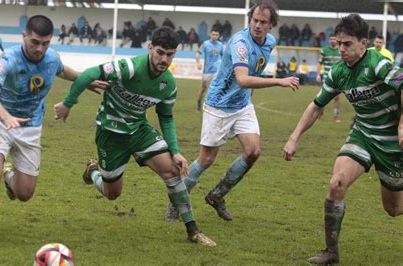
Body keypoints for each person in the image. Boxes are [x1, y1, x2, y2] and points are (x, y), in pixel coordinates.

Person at [53, 27, 217, 247]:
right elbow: (90, 74)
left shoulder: (168, 84)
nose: (164, 59)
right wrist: (67, 104)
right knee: (112, 193)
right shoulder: (129, 68)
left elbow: (166, 118)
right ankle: (92, 171)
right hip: (111, 134)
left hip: (139, 131)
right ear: (150, 48)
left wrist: (175, 151)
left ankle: (193, 230)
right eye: (160, 52)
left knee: (172, 170)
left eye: (170, 54)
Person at [164, 0, 300, 222]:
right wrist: (279, 81)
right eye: (254, 20)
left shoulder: (271, 41)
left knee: (253, 152)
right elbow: (243, 79)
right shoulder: (240, 43)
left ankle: (217, 196)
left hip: (242, 105)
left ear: (271, 25)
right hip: (218, 106)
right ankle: (176, 202)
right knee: (207, 159)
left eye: (263, 22)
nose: (257, 25)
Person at [283, 14, 403, 264]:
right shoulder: (337, 73)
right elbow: (316, 106)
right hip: (363, 134)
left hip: (392, 142)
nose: (342, 49)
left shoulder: (378, 64)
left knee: (393, 210)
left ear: (364, 43)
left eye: (348, 44)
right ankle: (331, 252)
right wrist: (294, 138)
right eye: (339, 44)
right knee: (337, 183)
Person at [0, 15, 86, 245]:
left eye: (45, 43)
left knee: (24, 194)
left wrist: (87, 80)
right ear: (24, 36)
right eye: (34, 42)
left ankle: (8, 174)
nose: (39, 48)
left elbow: (62, 70)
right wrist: (6, 116)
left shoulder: (51, 57)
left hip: (30, 127)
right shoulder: (8, 59)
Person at [195, 28, 223, 112]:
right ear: (210, 35)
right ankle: (199, 104)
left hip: (217, 70)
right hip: (207, 70)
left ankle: (214, 105)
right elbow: (197, 53)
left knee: (217, 88)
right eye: (213, 34)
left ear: (219, 36)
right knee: (204, 88)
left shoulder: (220, 45)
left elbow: (224, 56)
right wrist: (198, 62)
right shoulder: (205, 44)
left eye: (216, 35)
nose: (215, 36)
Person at [316, 33, 342, 122]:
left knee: (337, 97)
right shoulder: (324, 50)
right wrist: (318, 74)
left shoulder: (341, 50)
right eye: (331, 39)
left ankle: (336, 115)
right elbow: (320, 63)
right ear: (328, 40)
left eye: (334, 39)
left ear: (337, 40)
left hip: (338, 77)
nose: (332, 41)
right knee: (324, 96)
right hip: (327, 76)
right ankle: (320, 111)